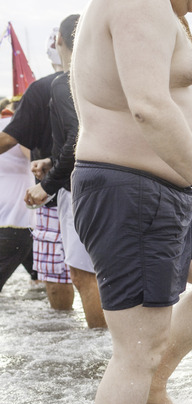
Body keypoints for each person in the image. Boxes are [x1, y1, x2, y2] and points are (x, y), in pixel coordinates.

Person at [70, 0, 192, 404]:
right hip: (135, 190)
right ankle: (145, 376)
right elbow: (148, 106)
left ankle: (153, 383)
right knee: (136, 351)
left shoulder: (158, 11)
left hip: (160, 191)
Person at [23, 15, 106, 328]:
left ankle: (99, 361)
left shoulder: (67, 81)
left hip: (81, 189)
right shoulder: (105, 79)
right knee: (104, 275)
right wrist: (51, 161)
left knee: (85, 276)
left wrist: (48, 185)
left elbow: (77, 136)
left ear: (60, 41)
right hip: (110, 182)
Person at [0, 27, 74, 310]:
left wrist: (48, 177)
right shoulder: (111, 83)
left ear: (57, 44)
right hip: (102, 189)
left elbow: (9, 140)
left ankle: (70, 345)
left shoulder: (43, 88)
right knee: (96, 275)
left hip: (50, 195)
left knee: (64, 277)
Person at [0, 100, 37, 292]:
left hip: (14, 221)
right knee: (40, 277)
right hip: (16, 221)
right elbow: (35, 158)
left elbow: (34, 158)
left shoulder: (11, 127)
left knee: (40, 275)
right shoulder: (13, 127)